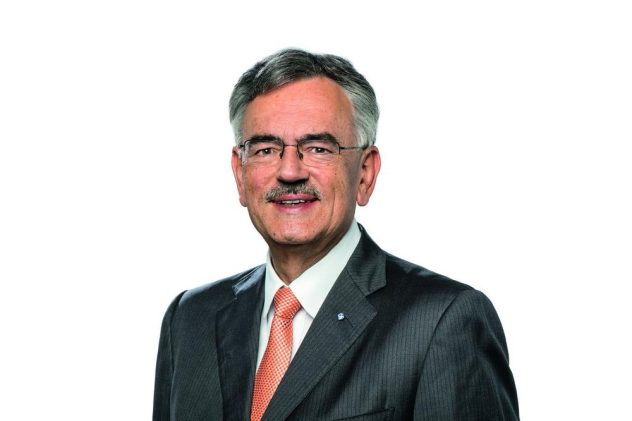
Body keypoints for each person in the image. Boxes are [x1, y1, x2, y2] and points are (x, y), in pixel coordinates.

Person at [153, 48, 519, 421]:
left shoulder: (443, 321)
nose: (290, 171)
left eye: (318, 148)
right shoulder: (190, 319)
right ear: (240, 173)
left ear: (365, 173)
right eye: (265, 149)